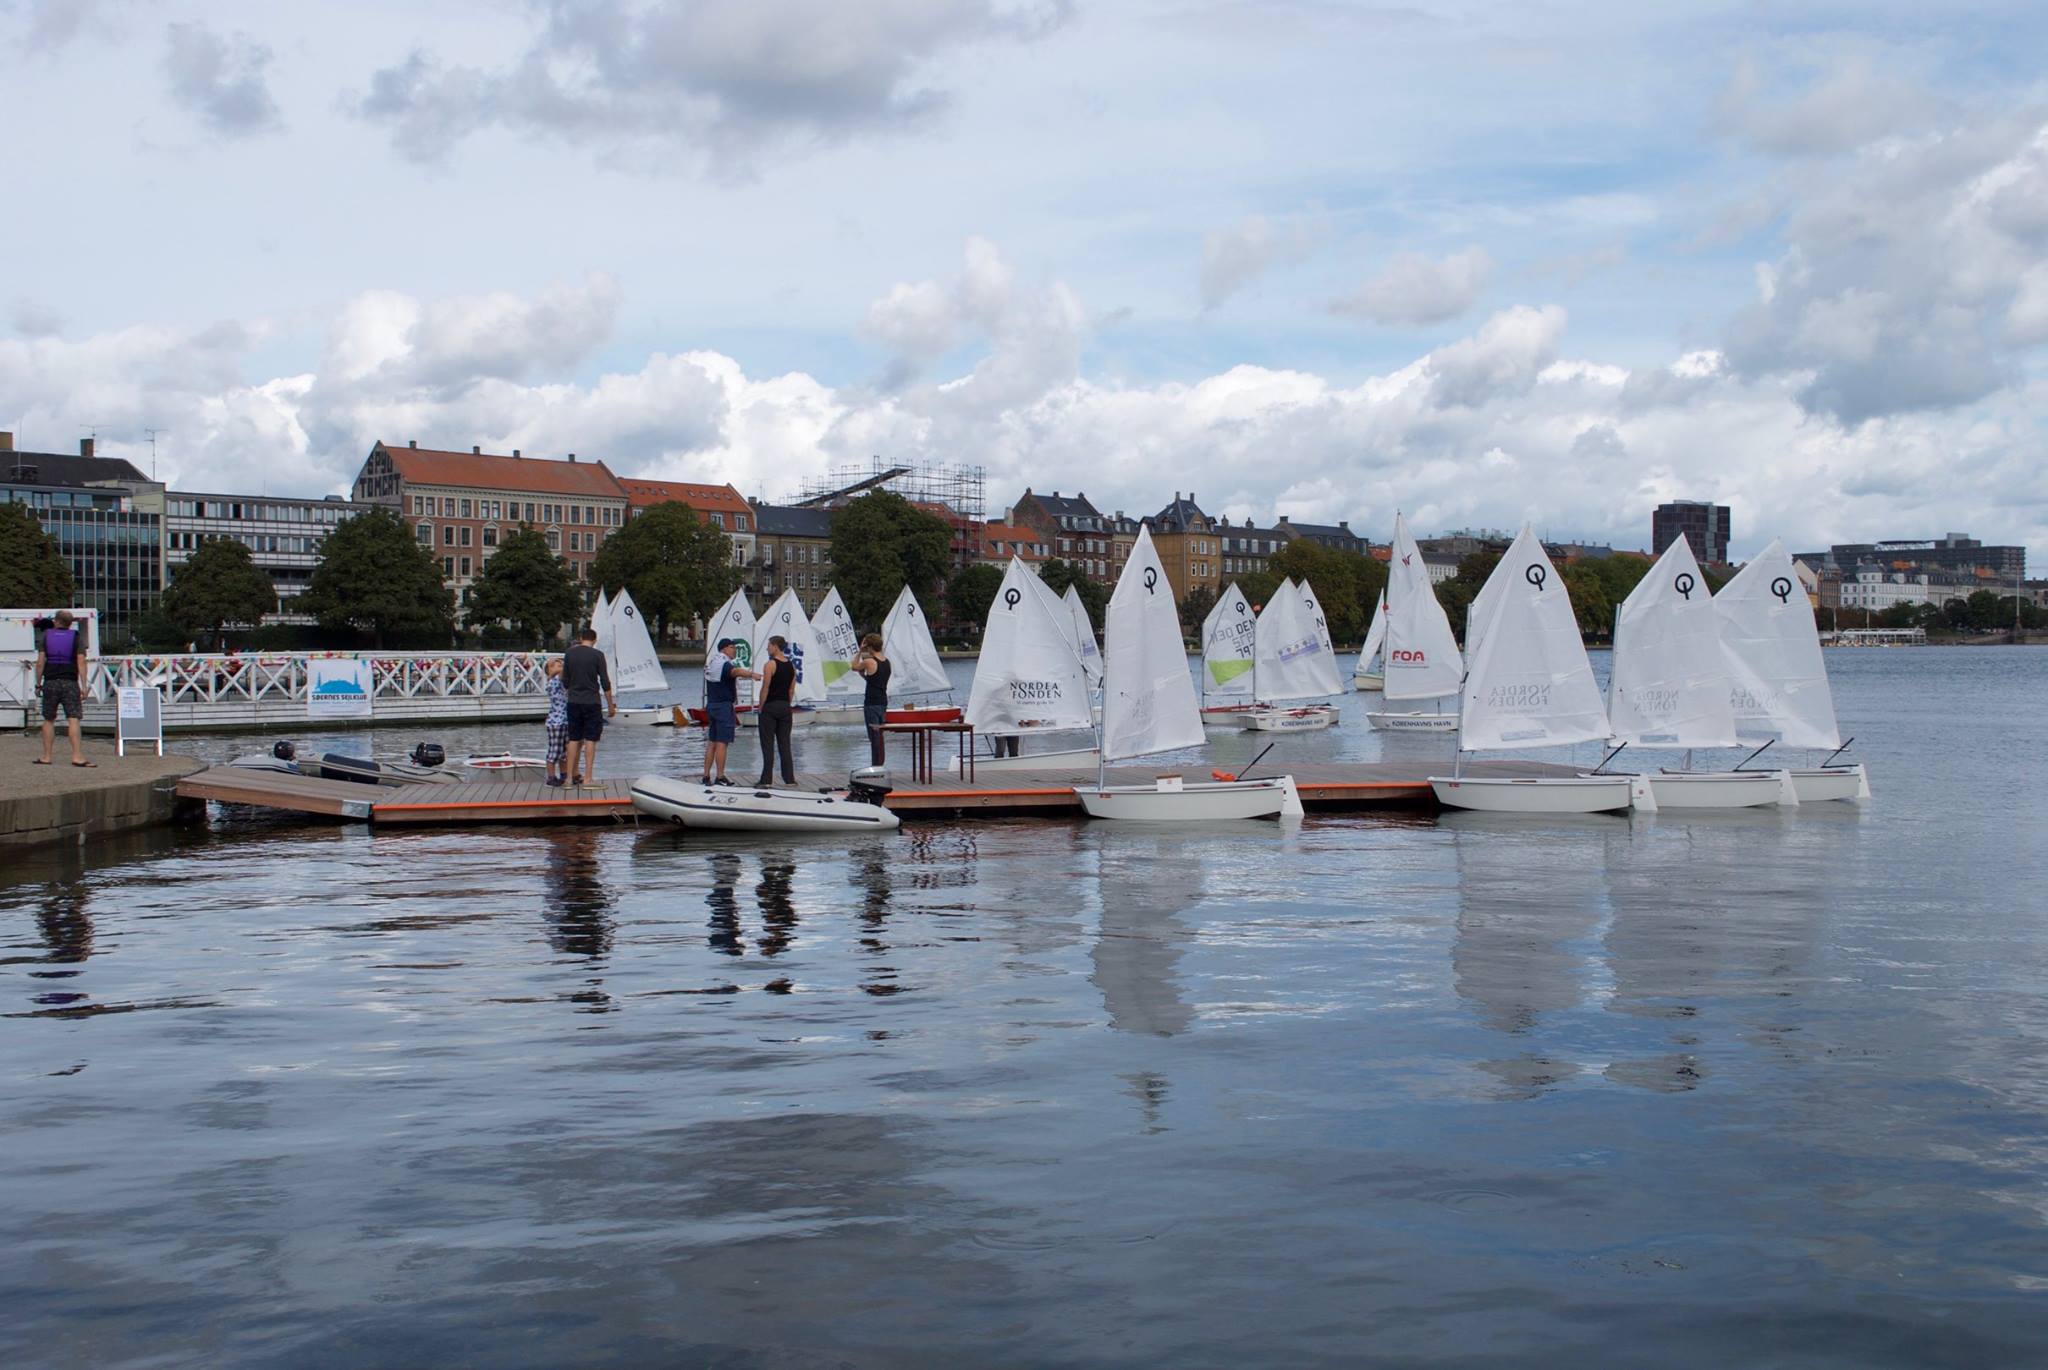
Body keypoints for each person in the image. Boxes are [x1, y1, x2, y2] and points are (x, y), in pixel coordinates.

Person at [35, 610, 91, 768]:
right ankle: (77, 756)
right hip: (70, 682)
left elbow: (40, 663)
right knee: (73, 718)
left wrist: (38, 684)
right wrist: (84, 686)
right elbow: (81, 662)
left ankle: (46, 756)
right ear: (70, 623)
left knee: (48, 719)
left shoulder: (46, 636)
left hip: (51, 682)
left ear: (56, 621)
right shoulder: (76, 637)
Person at [560, 625, 614, 786]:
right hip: (592, 701)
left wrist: (572, 692)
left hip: (574, 701)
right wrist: (610, 705)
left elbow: (565, 681)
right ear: (594, 640)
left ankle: (568, 778)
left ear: (581, 638)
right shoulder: (598, 655)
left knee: (573, 739)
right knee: (591, 739)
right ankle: (588, 778)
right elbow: (605, 682)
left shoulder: (569, 653)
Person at [702, 638, 760, 785]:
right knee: (722, 742)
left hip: (712, 705)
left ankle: (706, 775)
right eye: (732, 647)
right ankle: (720, 777)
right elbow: (735, 671)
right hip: (723, 707)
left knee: (712, 742)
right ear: (724, 649)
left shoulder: (713, 663)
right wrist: (751, 674)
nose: (734, 650)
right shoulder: (725, 664)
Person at [753, 635, 798, 787]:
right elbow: (791, 690)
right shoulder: (792, 666)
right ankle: (789, 779)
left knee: (768, 744)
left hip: (770, 706)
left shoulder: (770, 665)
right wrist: (787, 704)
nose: (767, 648)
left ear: (776, 646)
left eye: (769, 645)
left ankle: (766, 780)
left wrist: (761, 706)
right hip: (785, 707)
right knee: (785, 744)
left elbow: (765, 688)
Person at [853, 632, 890, 767]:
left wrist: (859, 651)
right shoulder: (886, 662)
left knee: (873, 737)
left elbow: (853, 666)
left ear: (869, 646)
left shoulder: (869, 661)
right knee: (880, 737)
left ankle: (876, 766)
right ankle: (880, 764)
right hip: (883, 702)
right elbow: (876, 681)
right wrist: (865, 676)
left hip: (871, 703)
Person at [542, 657, 569, 787]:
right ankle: (551, 777)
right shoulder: (552, 682)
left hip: (564, 720)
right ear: (550, 670)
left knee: (564, 752)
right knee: (555, 751)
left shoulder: (560, 681)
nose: (561, 668)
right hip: (556, 721)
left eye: (561, 665)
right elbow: (561, 675)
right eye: (557, 666)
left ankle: (564, 775)